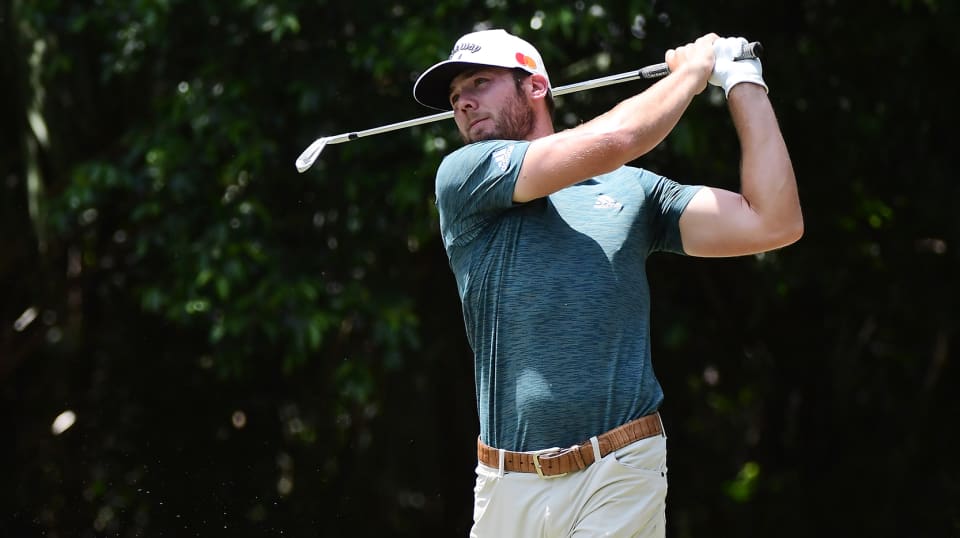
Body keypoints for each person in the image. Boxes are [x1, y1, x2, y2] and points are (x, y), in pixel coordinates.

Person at [412, 28, 802, 537]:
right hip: (506, 483)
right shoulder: (463, 176)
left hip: (620, 467)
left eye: (479, 83)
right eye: (455, 96)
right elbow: (616, 140)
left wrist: (742, 79)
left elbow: (773, 222)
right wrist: (688, 76)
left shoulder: (633, 189)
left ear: (535, 86)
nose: (463, 102)